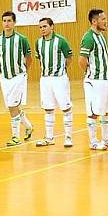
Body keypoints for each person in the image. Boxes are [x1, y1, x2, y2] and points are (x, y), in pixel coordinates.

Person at [80, 9, 108, 151]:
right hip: (94, 81)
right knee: (94, 112)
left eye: (106, 18)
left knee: (107, 110)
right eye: (103, 19)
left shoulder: (102, 36)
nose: (106, 21)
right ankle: (93, 141)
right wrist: (91, 73)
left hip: (106, 79)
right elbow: (82, 60)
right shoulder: (89, 37)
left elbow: (104, 58)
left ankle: (106, 139)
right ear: (94, 21)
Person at [0, 11, 34, 146]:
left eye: (9, 20)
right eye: (4, 21)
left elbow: (29, 58)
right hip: (4, 78)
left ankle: (15, 136)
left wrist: (24, 72)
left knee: (12, 106)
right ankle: (28, 126)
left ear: (14, 22)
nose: (7, 23)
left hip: (18, 76)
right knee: (12, 106)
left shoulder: (22, 39)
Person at [34, 17, 74, 148]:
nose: (42, 29)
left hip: (59, 79)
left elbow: (69, 58)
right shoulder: (38, 43)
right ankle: (49, 137)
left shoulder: (61, 41)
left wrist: (61, 70)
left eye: (45, 26)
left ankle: (68, 137)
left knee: (66, 107)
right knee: (48, 108)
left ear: (52, 27)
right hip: (45, 79)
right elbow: (40, 59)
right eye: (40, 27)